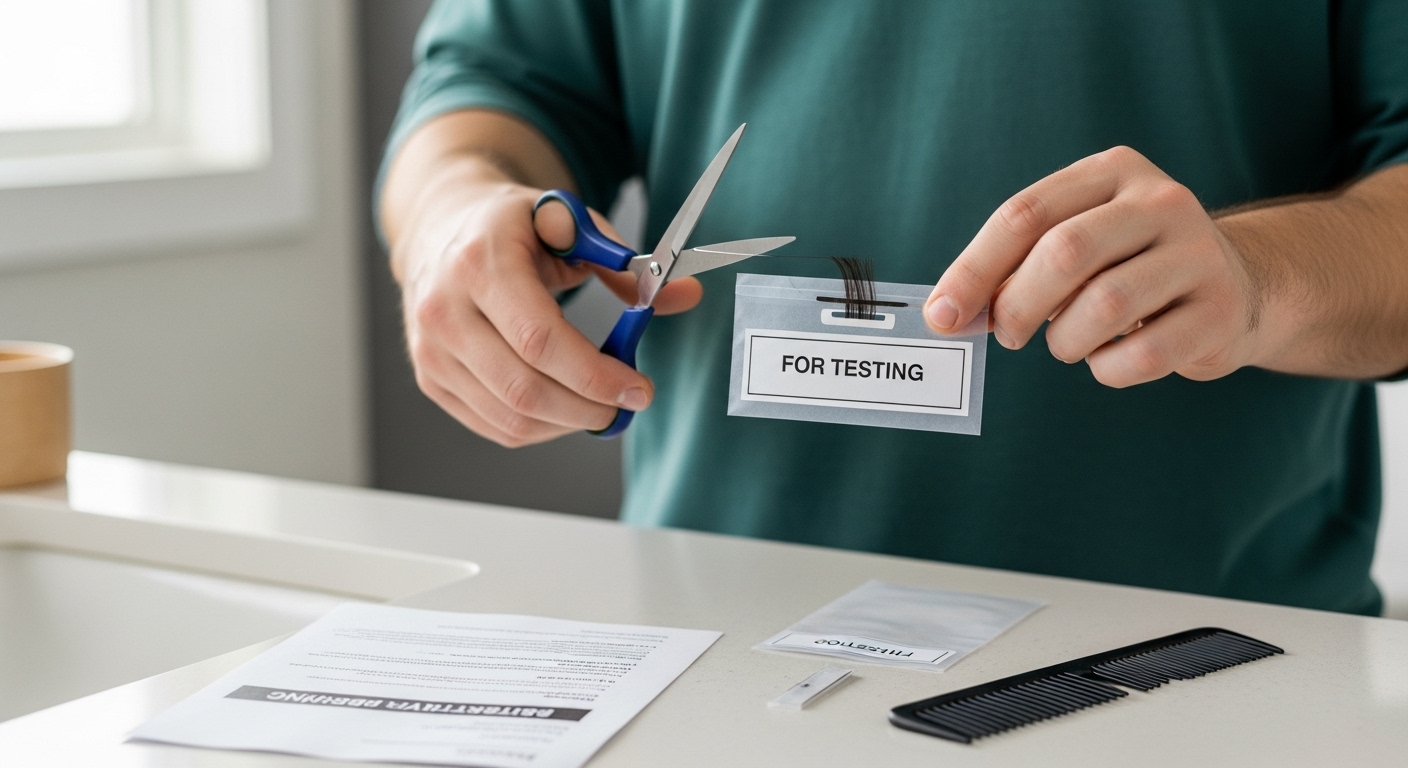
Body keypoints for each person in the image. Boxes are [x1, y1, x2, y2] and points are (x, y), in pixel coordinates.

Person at [379, 1, 1408, 615]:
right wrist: (449, 216)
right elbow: (495, 84)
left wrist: (1256, 273)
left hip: (1206, 670)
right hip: (709, 655)